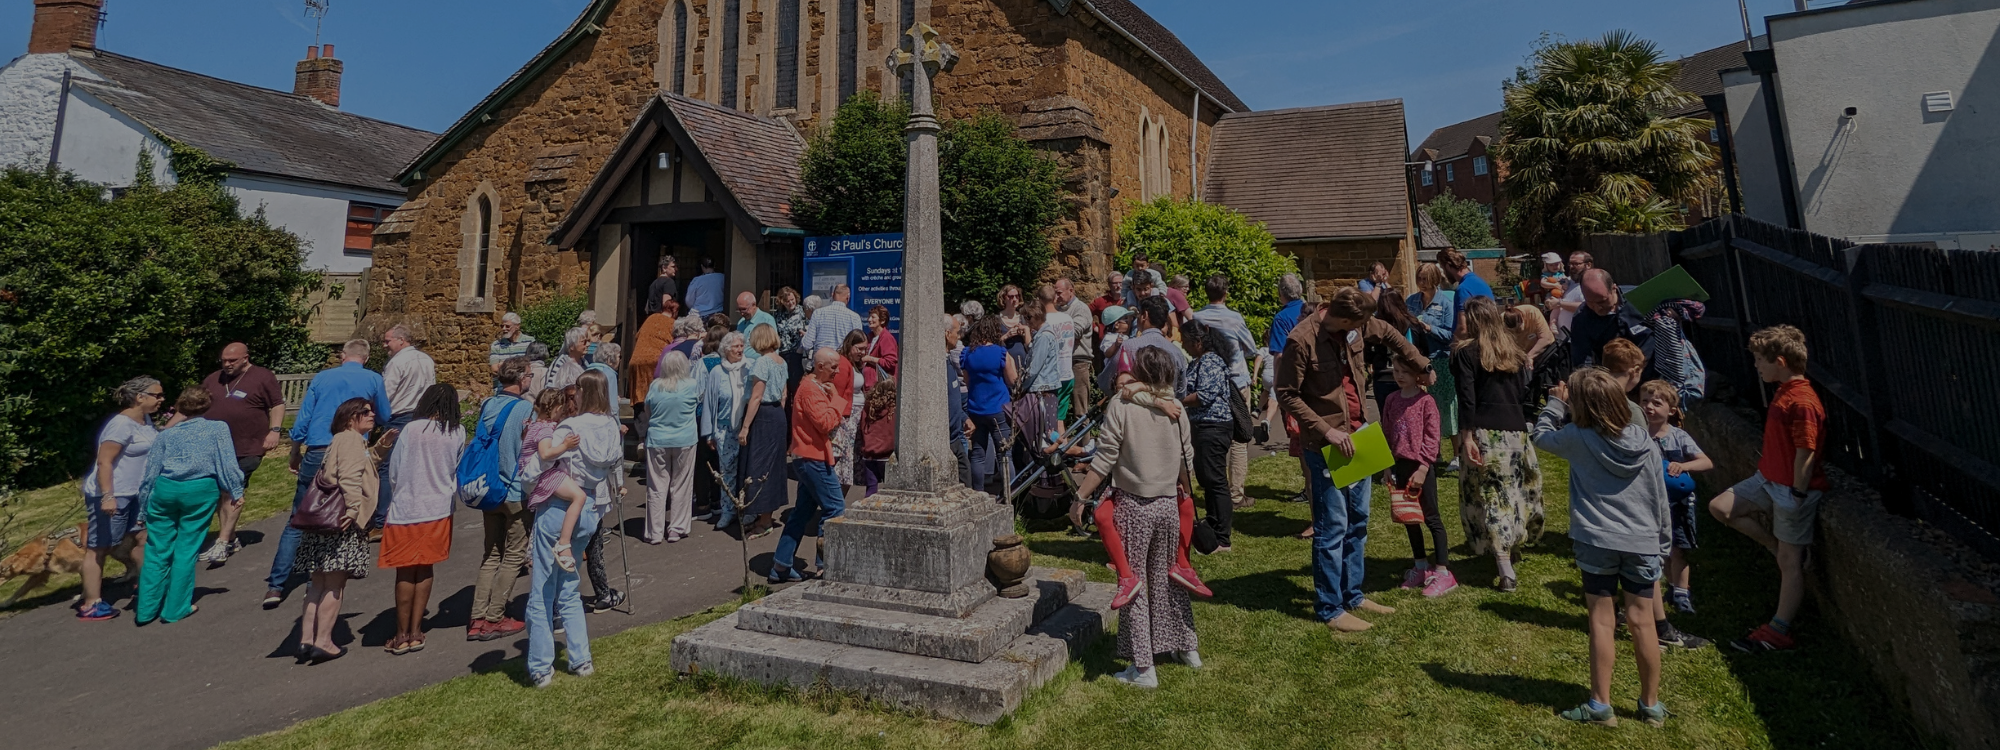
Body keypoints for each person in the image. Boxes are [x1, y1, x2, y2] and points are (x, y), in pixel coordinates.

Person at [1277, 287, 1428, 633]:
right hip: (1327, 446)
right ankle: (1331, 608)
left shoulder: (1357, 325)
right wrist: (1325, 431)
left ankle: (1353, 594)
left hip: (1361, 439)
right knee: (1332, 530)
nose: (1361, 330)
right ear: (1342, 318)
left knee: (1358, 523)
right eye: (1355, 325)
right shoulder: (1301, 340)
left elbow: (1389, 333)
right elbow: (1286, 394)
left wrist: (1422, 364)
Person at [1531, 367, 1670, 727]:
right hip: (1642, 541)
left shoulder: (1577, 436)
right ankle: (1651, 706)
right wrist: (1662, 542)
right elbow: (1659, 495)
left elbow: (1541, 436)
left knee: (1602, 621)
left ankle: (1600, 705)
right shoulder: (1643, 439)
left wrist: (1553, 404)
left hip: (1597, 540)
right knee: (1644, 623)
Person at [1075, 346, 1201, 689]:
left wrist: (1081, 496)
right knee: (1170, 577)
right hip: (1168, 503)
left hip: (1133, 505)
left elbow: (1104, 460)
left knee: (1133, 586)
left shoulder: (1122, 405)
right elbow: (1185, 459)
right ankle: (1187, 647)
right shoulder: (1176, 409)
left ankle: (1144, 668)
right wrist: (1185, 496)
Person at [1710, 325, 1825, 655]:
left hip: (1791, 490)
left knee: (1791, 564)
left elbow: (1807, 451)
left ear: (1780, 361)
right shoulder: (1783, 390)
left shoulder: (1802, 401)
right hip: (1767, 480)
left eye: (1760, 360)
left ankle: (1778, 631)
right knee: (1721, 508)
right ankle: (1776, 548)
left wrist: (1798, 495)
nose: (1756, 367)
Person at [265, 340, 389, 609]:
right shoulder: (373, 379)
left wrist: (295, 449)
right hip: (351, 448)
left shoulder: (322, 377)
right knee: (339, 517)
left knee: (302, 513)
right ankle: (317, 580)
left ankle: (276, 585)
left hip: (318, 448)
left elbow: (304, 417)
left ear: (343, 356)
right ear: (365, 358)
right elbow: (383, 414)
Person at [1452, 296, 1544, 592]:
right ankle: (1513, 546)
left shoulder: (1465, 353)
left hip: (1484, 432)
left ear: (1472, 319)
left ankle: (1505, 568)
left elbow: (1467, 398)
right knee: (1515, 493)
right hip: (1515, 431)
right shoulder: (1513, 351)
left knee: (1492, 498)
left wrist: (1466, 436)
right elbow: (1522, 392)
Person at [133, 386, 241, 625]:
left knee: (157, 549)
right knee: (186, 548)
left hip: (165, 490)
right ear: (206, 406)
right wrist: (236, 490)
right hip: (199, 491)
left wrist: (142, 508)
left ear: (180, 407)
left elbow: (150, 474)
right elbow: (228, 462)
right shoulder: (217, 428)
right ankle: (175, 608)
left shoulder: (165, 435)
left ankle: (146, 610)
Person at [524, 382, 609, 687]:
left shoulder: (559, 430)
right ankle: (581, 659)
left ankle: (540, 666)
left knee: (543, 591)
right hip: (589, 508)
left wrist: (527, 480)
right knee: (570, 587)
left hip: (558, 508)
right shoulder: (609, 426)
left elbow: (536, 465)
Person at [294, 397, 387, 664]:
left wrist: (382, 447)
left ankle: (306, 640)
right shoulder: (350, 440)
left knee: (318, 583)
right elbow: (348, 475)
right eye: (365, 412)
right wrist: (354, 509)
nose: (372, 415)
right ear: (350, 418)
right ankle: (324, 642)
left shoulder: (341, 439)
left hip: (322, 522)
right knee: (334, 585)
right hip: (341, 522)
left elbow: (361, 467)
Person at [380, 383, 464, 654]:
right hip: (438, 509)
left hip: (407, 508)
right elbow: (456, 469)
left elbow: (395, 470)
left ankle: (401, 633)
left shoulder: (411, 430)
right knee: (425, 568)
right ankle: (417, 631)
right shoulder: (458, 431)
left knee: (405, 570)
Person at [185, 343, 284, 566]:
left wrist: (275, 431)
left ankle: (222, 542)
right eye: (224, 361)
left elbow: (277, 404)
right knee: (221, 492)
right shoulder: (214, 378)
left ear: (245, 358)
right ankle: (230, 536)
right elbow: (195, 404)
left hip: (247, 446)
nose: (227, 365)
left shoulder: (262, 376)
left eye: (233, 361)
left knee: (231, 490)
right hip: (214, 447)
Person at [1639, 379, 1714, 651]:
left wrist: (1682, 466)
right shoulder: (1639, 434)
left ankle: (1681, 593)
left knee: (1678, 548)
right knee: (1659, 548)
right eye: (1645, 401)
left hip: (1678, 501)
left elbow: (1706, 462)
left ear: (1671, 409)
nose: (1648, 406)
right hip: (1649, 501)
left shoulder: (1677, 436)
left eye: (1656, 402)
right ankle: (1664, 587)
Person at [772, 348, 855, 581]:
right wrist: (837, 400)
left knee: (802, 512)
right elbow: (825, 423)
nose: (837, 372)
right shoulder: (810, 390)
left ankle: (781, 565)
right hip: (813, 459)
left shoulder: (812, 387)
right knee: (835, 508)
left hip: (809, 457)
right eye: (833, 367)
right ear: (820, 367)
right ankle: (825, 565)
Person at [468, 357, 534, 642]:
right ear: (520, 378)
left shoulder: (488, 405)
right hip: (515, 490)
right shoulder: (524, 408)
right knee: (514, 556)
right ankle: (495, 617)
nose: (531, 379)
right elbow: (527, 449)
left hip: (489, 488)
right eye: (529, 374)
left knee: (491, 554)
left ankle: (477, 616)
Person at [555, 371, 625, 617]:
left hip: (570, 495)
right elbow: (616, 459)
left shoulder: (572, 426)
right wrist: (619, 483)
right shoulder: (610, 424)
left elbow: (554, 458)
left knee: (567, 552)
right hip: (599, 492)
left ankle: (558, 607)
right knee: (593, 547)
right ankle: (603, 593)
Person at [1384, 358, 1455, 598]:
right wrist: (1386, 465)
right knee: (1409, 517)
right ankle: (1420, 565)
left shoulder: (1426, 401)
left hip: (1421, 467)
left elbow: (1432, 437)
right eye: (1396, 371)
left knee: (1431, 516)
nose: (1399, 375)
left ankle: (1443, 571)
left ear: (1418, 375)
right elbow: (1385, 432)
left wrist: (1424, 468)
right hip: (1400, 465)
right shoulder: (1391, 400)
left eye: (1405, 371)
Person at [1191, 274, 1257, 510]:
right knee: (1239, 438)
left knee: (1209, 437)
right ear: (1225, 293)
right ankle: (1236, 494)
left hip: (1206, 381)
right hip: (1235, 382)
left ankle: (1213, 486)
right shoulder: (1234, 318)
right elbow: (1250, 348)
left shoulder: (1197, 317)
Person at [1179, 319, 1237, 552]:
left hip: (1214, 426)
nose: (1184, 345)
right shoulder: (1198, 361)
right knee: (1208, 480)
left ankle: (1223, 536)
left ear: (1198, 341)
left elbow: (1205, 395)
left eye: (1186, 341)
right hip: (1202, 425)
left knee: (1216, 481)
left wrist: (1177, 401)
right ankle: (1213, 526)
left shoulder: (1211, 361)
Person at [374, 325, 436, 533]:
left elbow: (386, 393)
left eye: (388, 340)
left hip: (399, 418)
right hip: (423, 416)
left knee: (387, 467)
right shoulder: (426, 359)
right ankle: (414, 515)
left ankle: (381, 521)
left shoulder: (397, 362)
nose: (385, 345)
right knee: (416, 467)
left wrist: (377, 419)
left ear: (401, 340)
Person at [735, 324, 791, 537]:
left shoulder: (762, 362)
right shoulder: (782, 361)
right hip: (778, 415)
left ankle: (764, 521)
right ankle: (764, 516)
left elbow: (757, 396)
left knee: (759, 466)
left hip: (764, 415)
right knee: (773, 466)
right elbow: (784, 394)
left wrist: (746, 426)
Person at [644, 352, 702, 544]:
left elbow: (648, 410)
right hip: (685, 439)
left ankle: (655, 532)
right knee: (682, 484)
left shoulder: (655, 386)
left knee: (656, 486)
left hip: (657, 440)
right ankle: (677, 528)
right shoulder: (692, 384)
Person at [962, 316, 1019, 496]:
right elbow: (1013, 380)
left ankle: (978, 493)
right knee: (1004, 455)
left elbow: (967, 381)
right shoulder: (1001, 353)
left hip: (975, 408)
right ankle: (1010, 495)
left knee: (978, 453)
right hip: (998, 408)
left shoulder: (967, 353)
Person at [701, 332, 751, 529]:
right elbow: (709, 403)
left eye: (741, 346)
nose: (739, 350)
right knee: (727, 471)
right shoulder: (717, 372)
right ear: (725, 349)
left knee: (747, 471)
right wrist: (708, 433)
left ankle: (747, 510)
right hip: (723, 429)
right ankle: (728, 510)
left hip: (746, 428)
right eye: (735, 347)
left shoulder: (749, 368)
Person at [1408, 263, 1460, 448]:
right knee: (1422, 406)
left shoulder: (1446, 303)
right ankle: (1431, 449)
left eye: (1425, 279)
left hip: (1441, 359)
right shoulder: (1411, 301)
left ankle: (1456, 452)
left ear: (1435, 279)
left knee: (1446, 406)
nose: (1421, 283)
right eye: (1419, 278)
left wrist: (1429, 328)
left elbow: (1451, 335)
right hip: (1417, 359)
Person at [1097, 296, 1186, 395]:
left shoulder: (1127, 347)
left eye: (1139, 314)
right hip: (1168, 406)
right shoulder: (1176, 352)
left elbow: (1105, 382)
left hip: (1133, 406)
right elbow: (1181, 391)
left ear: (1144, 316)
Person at [1569, 268, 1654, 373]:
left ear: (1614, 288)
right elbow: (1582, 363)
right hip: (1617, 380)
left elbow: (1676, 303)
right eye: (1590, 302)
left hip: (1655, 375)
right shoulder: (1581, 317)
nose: (1597, 308)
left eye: (1602, 301)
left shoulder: (1640, 296)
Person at [1262, 274, 1305, 445]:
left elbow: (1279, 355)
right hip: (1318, 376)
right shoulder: (1313, 310)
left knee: (1298, 436)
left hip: (1293, 379)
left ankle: (1309, 471)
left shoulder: (1281, 318)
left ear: (1281, 293)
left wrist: (1277, 384)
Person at [833, 331, 869, 492]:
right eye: (859, 348)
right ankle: (836, 505)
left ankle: (838, 504)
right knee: (843, 465)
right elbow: (837, 394)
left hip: (856, 417)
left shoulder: (856, 364)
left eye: (865, 349)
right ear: (850, 345)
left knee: (851, 464)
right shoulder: (842, 363)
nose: (863, 352)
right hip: (847, 418)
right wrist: (838, 419)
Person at [1056, 278, 1095, 415]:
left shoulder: (1081, 308)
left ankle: (1084, 437)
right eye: (1055, 293)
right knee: (1058, 409)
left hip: (1077, 363)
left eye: (1059, 293)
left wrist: (1056, 331)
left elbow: (1075, 332)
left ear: (1070, 291)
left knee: (1080, 410)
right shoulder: (1056, 310)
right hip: (1060, 362)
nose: (1056, 297)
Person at [1438, 248, 1495, 335]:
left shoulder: (1463, 289)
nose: (1444, 274)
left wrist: (1454, 344)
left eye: (1443, 268)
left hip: (1472, 344)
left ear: (1448, 266)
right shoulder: (1481, 282)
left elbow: (1463, 328)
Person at [800, 283, 864, 358]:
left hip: (821, 362)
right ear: (848, 297)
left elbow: (807, 344)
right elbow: (859, 345)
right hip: (843, 361)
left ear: (832, 295)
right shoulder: (854, 317)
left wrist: (805, 336)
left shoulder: (818, 313)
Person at [630, 303, 678, 404]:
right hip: (656, 361)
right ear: (675, 312)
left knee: (639, 397)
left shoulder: (650, 318)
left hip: (636, 360)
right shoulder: (672, 323)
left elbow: (637, 336)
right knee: (654, 397)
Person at [945, 314, 973, 487]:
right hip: (946, 441)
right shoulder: (937, 366)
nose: (959, 335)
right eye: (957, 331)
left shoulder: (948, 361)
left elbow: (953, 399)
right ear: (947, 334)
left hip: (956, 436)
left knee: (965, 482)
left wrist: (964, 418)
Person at [771, 287, 807, 403]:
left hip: (796, 354)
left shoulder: (802, 313)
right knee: (783, 388)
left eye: (792, 299)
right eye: (787, 301)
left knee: (795, 386)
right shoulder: (778, 315)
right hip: (782, 354)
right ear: (782, 302)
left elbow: (810, 330)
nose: (791, 303)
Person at [1546, 252, 1593, 334]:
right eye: (1570, 264)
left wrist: (1560, 304)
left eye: (1576, 264)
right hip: (1562, 339)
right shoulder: (1567, 281)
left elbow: (1589, 307)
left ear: (1588, 265)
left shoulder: (1592, 284)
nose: (1571, 267)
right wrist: (1549, 302)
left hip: (1582, 338)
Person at [861, 305, 899, 388]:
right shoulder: (870, 337)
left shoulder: (887, 338)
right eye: (869, 317)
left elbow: (890, 363)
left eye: (873, 317)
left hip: (879, 388)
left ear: (882, 321)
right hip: (867, 385)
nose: (869, 320)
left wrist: (870, 359)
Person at [489, 312, 536, 378]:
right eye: (502, 326)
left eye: (507, 326)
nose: (504, 329)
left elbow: (532, 365)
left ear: (517, 326)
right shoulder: (496, 344)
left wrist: (503, 365)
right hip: (501, 386)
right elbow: (494, 369)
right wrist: (520, 366)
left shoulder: (529, 342)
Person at [588, 342, 624, 414]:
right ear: (609, 359)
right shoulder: (610, 375)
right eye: (619, 357)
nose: (620, 360)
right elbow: (612, 407)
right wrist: (617, 424)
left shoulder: (587, 371)